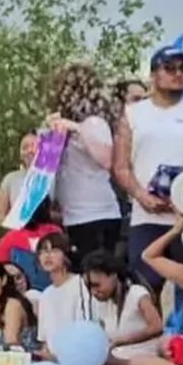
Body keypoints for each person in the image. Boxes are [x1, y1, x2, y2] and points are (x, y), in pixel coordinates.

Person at [114, 45, 183, 291]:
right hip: (148, 216)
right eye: (169, 68)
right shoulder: (133, 113)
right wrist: (141, 195)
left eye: (182, 68)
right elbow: (121, 166)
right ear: (154, 75)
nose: (178, 74)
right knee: (145, 287)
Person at [46, 61, 125, 267]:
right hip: (71, 216)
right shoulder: (59, 127)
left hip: (97, 214)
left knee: (99, 272)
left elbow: (107, 159)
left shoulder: (93, 124)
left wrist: (77, 129)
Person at [83, 252, 176, 365]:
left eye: (96, 285)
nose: (93, 292)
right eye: (89, 288)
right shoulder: (99, 304)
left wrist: (121, 341)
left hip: (144, 362)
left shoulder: (137, 294)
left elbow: (156, 326)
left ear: (113, 275)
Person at [32, 231, 95, 358]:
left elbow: (87, 327)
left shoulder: (80, 284)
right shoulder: (45, 295)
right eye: (43, 251)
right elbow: (45, 338)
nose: (47, 256)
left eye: (54, 250)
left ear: (66, 255)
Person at [0, 131, 42, 227]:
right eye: (25, 147)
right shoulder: (10, 179)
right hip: (17, 232)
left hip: (45, 233)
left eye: (33, 146)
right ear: (20, 154)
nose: (29, 150)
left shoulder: (51, 178)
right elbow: (0, 217)